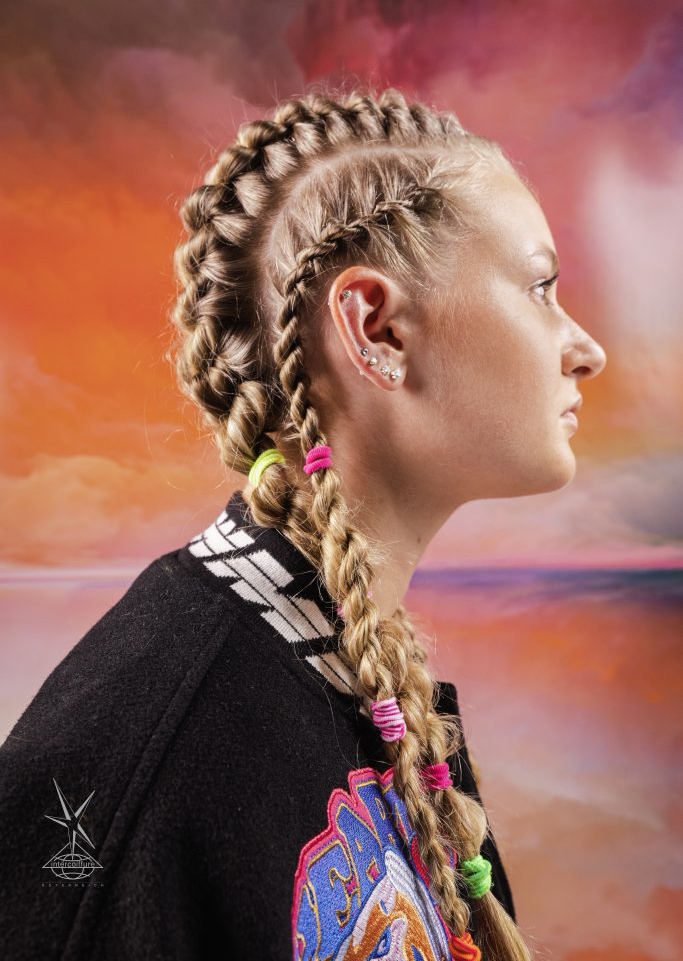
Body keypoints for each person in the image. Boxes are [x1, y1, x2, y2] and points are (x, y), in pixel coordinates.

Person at [0, 86, 606, 961]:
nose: (586, 349)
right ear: (377, 330)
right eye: (539, 287)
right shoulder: (143, 756)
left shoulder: (355, 672)